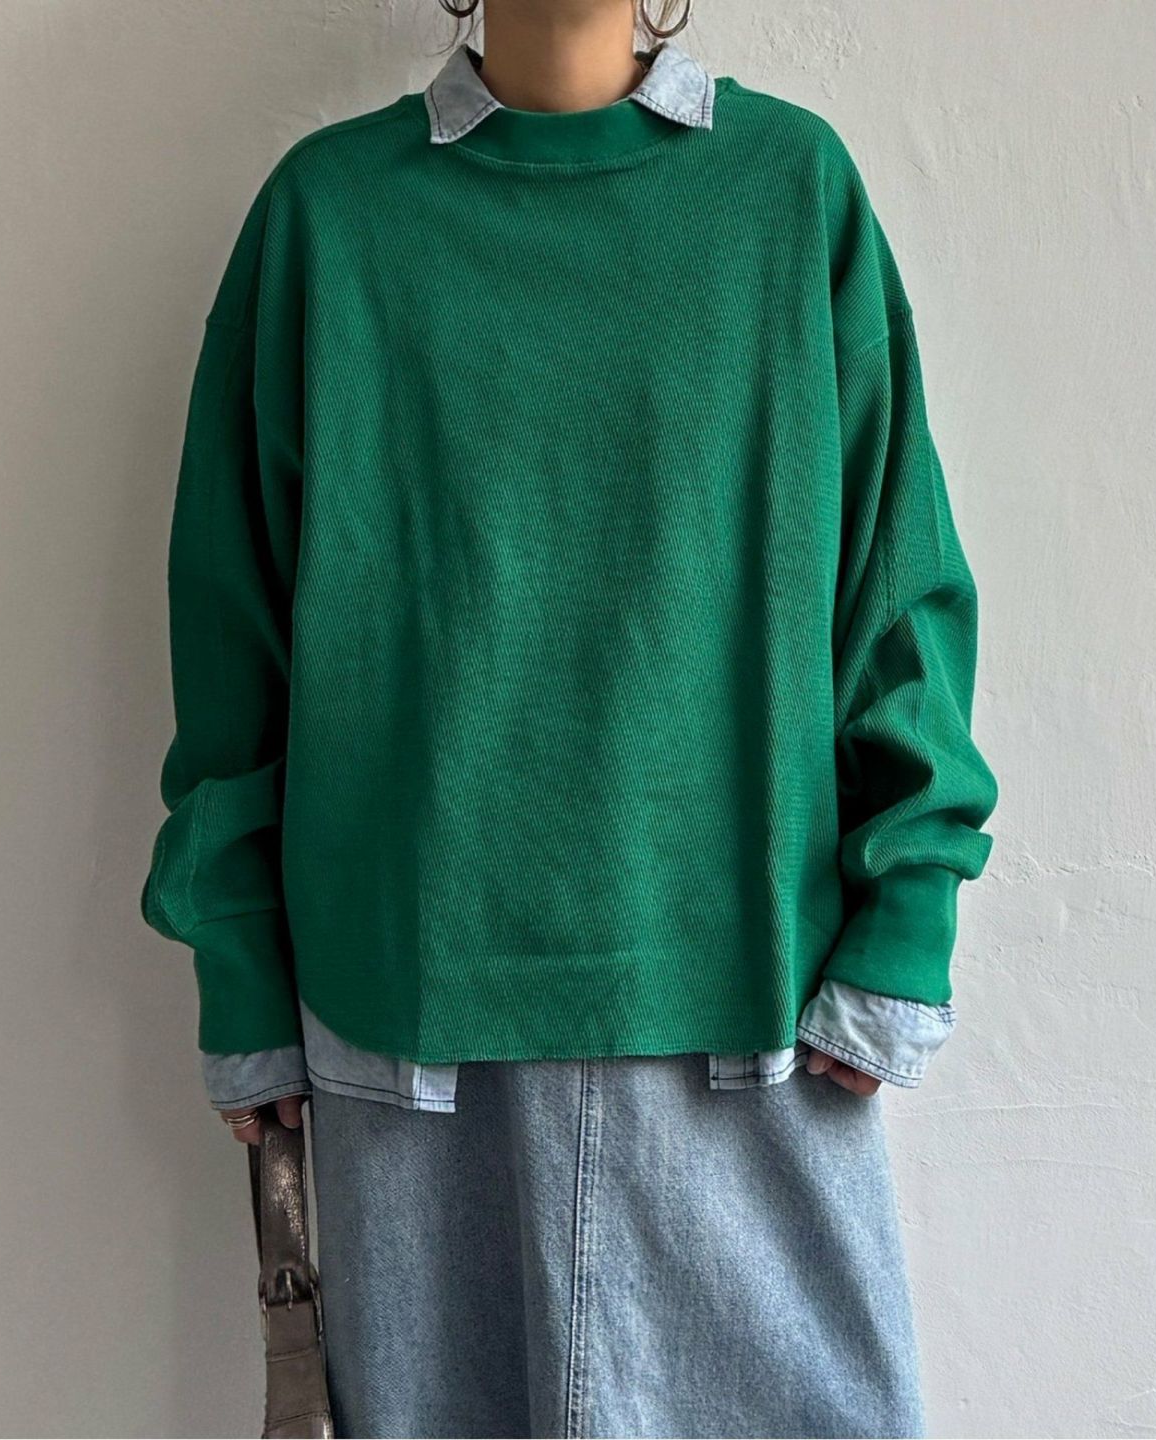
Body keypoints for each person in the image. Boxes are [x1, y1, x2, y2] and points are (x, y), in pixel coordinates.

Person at [140, 1, 999, 1435]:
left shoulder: (791, 191)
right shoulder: (329, 216)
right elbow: (233, 632)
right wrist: (239, 970)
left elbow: (897, 587)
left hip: (756, 1020)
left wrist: (908, 915)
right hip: (403, 1025)